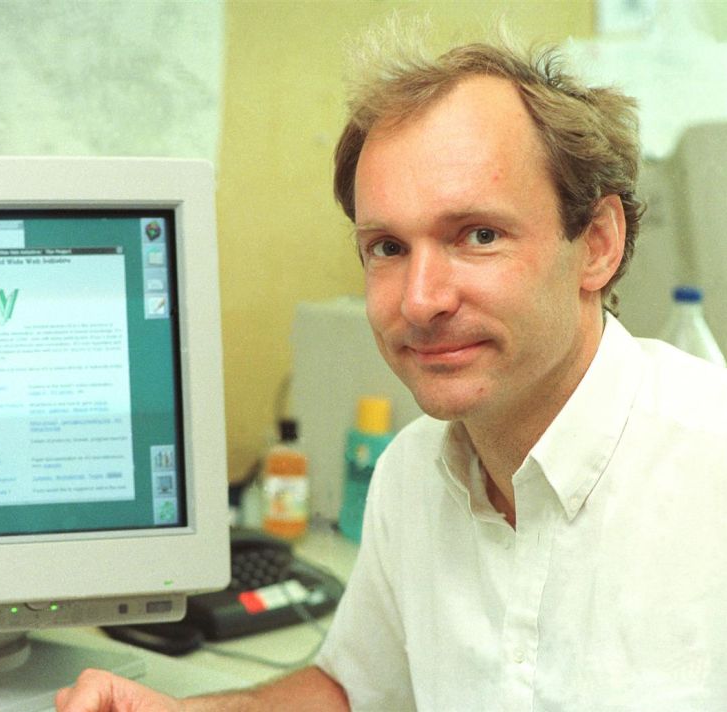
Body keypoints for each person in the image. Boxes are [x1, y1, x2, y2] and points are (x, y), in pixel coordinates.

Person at [56, 27, 727, 712]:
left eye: (478, 235)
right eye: (387, 246)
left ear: (598, 245)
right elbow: (355, 691)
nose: (420, 300)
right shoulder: (412, 477)